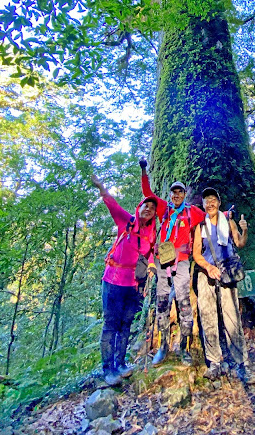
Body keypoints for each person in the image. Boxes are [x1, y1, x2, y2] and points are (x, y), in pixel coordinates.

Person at [92, 174, 158, 386]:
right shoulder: (127, 222)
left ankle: (120, 364)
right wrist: (101, 188)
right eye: (145, 206)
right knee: (111, 324)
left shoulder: (151, 235)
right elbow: (112, 204)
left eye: (152, 208)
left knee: (126, 324)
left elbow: (151, 257)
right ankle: (108, 369)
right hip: (113, 281)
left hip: (133, 286)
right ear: (139, 208)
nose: (148, 209)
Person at [140, 160, 205, 366]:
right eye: (173, 192)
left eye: (180, 192)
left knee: (184, 304)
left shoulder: (191, 211)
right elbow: (147, 191)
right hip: (162, 262)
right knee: (161, 305)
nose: (176, 195)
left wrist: (226, 216)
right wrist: (144, 170)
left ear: (185, 194)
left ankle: (184, 347)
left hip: (182, 262)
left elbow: (209, 217)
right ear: (170, 194)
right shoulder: (164, 209)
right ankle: (163, 347)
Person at [192, 187, 251, 383]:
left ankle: (241, 363)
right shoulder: (200, 226)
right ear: (203, 205)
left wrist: (244, 229)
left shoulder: (228, 222)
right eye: (206, 200)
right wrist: (209, 268)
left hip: (227, 274)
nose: (210, 203)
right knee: (207, 317)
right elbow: (196, 254)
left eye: (213, 200)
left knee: (232, 317)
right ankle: (214, 362)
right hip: (206, 275)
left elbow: (240, 243)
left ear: (219, 203)